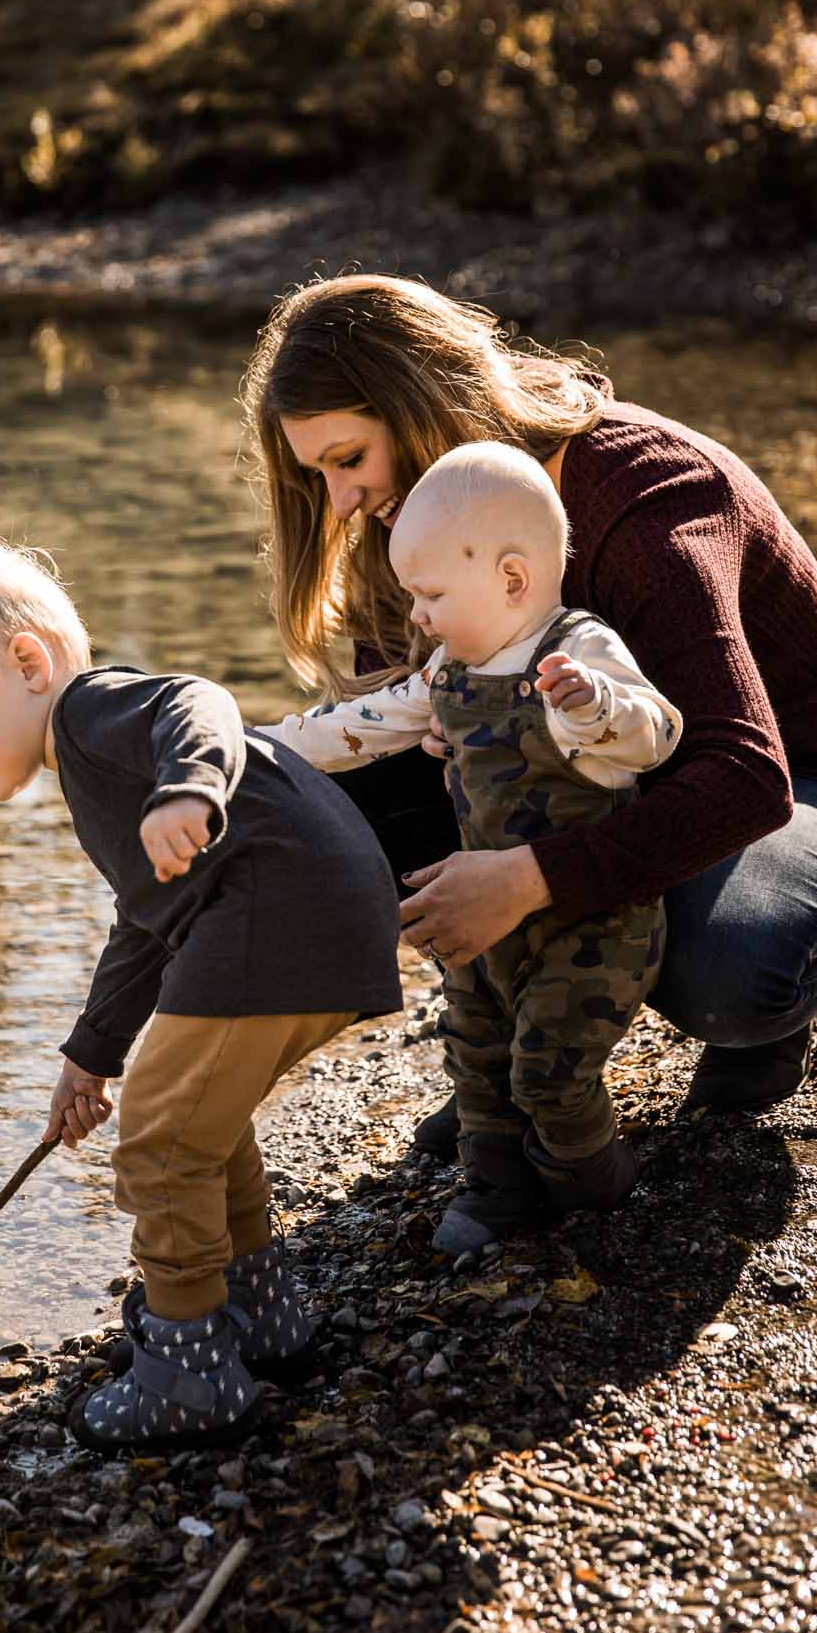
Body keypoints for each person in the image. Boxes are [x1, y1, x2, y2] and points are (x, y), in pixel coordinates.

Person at [244, 274, 817, 1159]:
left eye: (347, 458)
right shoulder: (419, 516)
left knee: (730, 973)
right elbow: (391, 718)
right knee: (326, 813)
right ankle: (509, 1059)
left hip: (798, 778)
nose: (338, 502)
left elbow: (745, 775)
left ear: (422, 411)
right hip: (606, 777)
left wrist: (533, 879)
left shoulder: (653, 495)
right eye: (316, 473)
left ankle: (773, 1013)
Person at [0, 538, 402, 1453]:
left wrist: (188, 786)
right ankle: (259, 1313)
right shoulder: (93, 771)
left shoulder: (87, 713)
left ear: (28, 663)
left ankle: (189, 1368)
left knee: (159, 1141)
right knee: (202, 1119)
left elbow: (199, 700)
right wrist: (88, 1054)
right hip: (317, 909)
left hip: (275, 914)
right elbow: (144, 927)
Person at [259, 441, 682, 1250]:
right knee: (475, 1053)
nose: (415, 615)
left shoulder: (577, 652)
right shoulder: (451, 669)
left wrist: (590, 709)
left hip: (589, 918)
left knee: (549, 1065)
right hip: (487, 921)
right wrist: (255, 748)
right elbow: (355, 727)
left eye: (430, 593)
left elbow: (653, 735)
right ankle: (494, 1189)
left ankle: (589, 1179)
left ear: (512, 580)